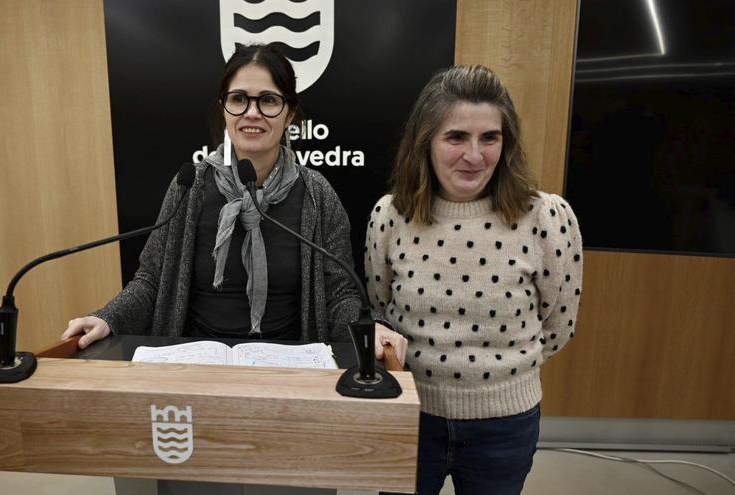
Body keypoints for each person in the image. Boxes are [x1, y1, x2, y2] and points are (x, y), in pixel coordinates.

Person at [63, 43, 406, 362]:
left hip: (288, 366)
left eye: (268, 100)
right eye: (239, 99)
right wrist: (108, 318)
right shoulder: (190, 187)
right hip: (197, 364)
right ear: (224, 109)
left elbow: (339, 295)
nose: (252, 113)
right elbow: (151, 280)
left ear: (289, 114)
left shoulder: (317, 195)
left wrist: (369, 327)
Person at [365, 65, 583, 494]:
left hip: (505, 427)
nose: (474, 155)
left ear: (507, 143)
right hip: (410, 415)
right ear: (425, 142)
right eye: (456, 137)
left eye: (490, 138)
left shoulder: (546, 217)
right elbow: (380, 310)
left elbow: (559, 323)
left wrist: (497, 374)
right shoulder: (390, 216)